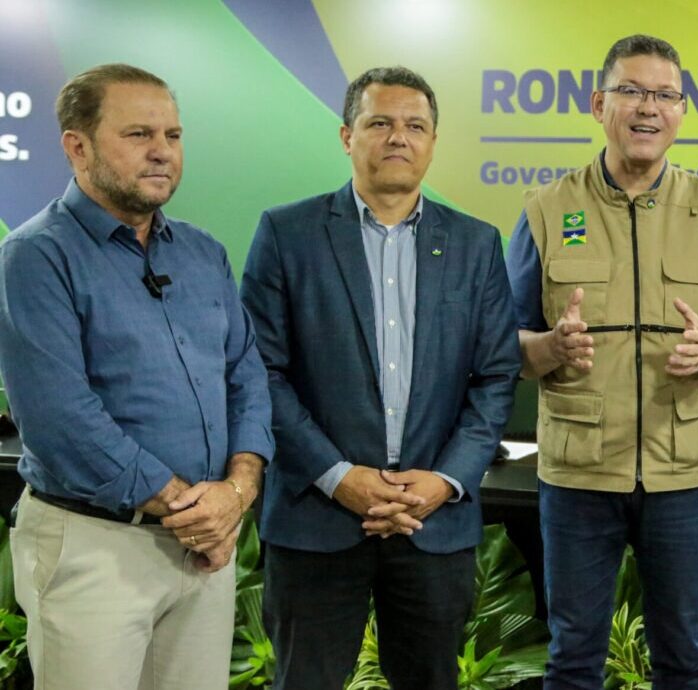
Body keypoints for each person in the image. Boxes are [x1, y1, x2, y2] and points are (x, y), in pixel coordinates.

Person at [240, 66, 521, 690]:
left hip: (432, 523)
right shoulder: (288, 234)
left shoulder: (476, 244)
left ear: (433, 141)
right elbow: (262, 372)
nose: (399, 137)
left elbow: (497, 375)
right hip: (317, 520)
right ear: (347, 136)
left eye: (415, 125)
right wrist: (341, 479)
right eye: (381, 123)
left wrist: (445, 480)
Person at [504, 34, 698, 689]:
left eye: (665, 95)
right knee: (572, 659)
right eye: (631, 91)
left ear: (681, 113)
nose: (648, 107)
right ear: (599, 104)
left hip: (683, 474)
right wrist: (550, 349)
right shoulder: (546, 209)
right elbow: (503, 344)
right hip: (578, 473)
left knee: (685, 658)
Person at [0, 63, 273, 690]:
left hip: (206, 549)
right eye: (138, 134)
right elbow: (59, 419)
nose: (161, 152)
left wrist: (236, 491)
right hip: (96, 548)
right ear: (78, 146)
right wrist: (191, 506)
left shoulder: (203, 253)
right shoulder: (36, 256)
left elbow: (247, 378)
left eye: (173, 136)